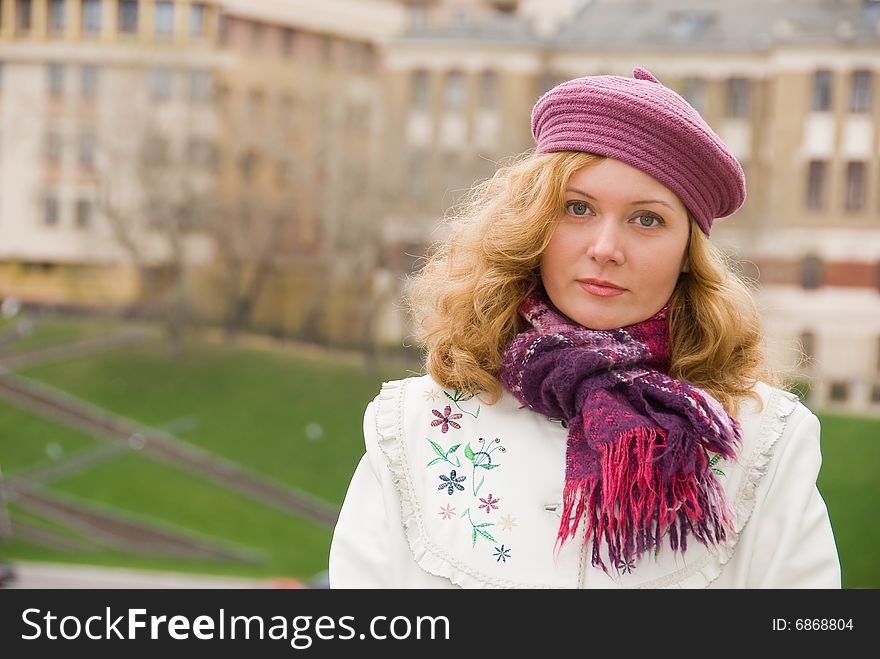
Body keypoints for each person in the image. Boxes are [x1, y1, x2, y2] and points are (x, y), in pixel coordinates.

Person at [328, 67, 841, 588]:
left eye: (647, 219)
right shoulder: (413, 428)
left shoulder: (762, 442)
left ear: (689, 254)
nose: (604, 248)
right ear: (535, 224)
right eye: (578, 209)